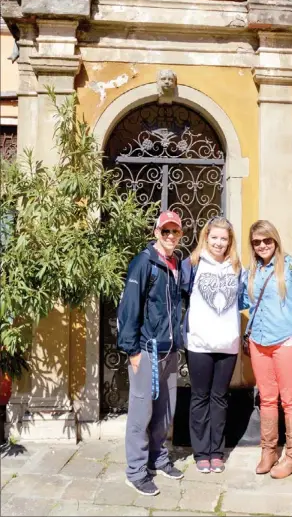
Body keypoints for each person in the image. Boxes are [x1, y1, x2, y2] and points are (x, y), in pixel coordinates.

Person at [240, 220, 292, 479]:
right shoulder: (251, 271)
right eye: (256, 242)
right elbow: (243, 300)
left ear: (275, 240)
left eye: (266, 240)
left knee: (290, 400)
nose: (262, 246)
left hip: (287, 341)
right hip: (259, 342)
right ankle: (268, 451)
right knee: (267, 399)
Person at [117, 210, 184, 496]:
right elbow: (129, 307)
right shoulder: (143, 263)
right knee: (141, 413)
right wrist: (132, 350)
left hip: (169, 352)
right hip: (146, 351)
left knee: (164, 413)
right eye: (165, 231)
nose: (170, 236)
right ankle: (135, 471)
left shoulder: (175, 263)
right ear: (156, 232)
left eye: (175, 232)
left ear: (180, 235)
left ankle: (158, 458)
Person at [182, 216, 242, 474]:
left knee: (220, 399)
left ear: (230, 242)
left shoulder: (237, 267)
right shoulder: (192, 265)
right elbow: (182, 298)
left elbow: (244, 300)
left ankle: (217, 452)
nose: (219, 242)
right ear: (206, 237)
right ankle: (201, 452)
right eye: (214, 237)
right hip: (199, 344)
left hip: (228, 345)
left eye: (224, 238)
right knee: (199, 398)